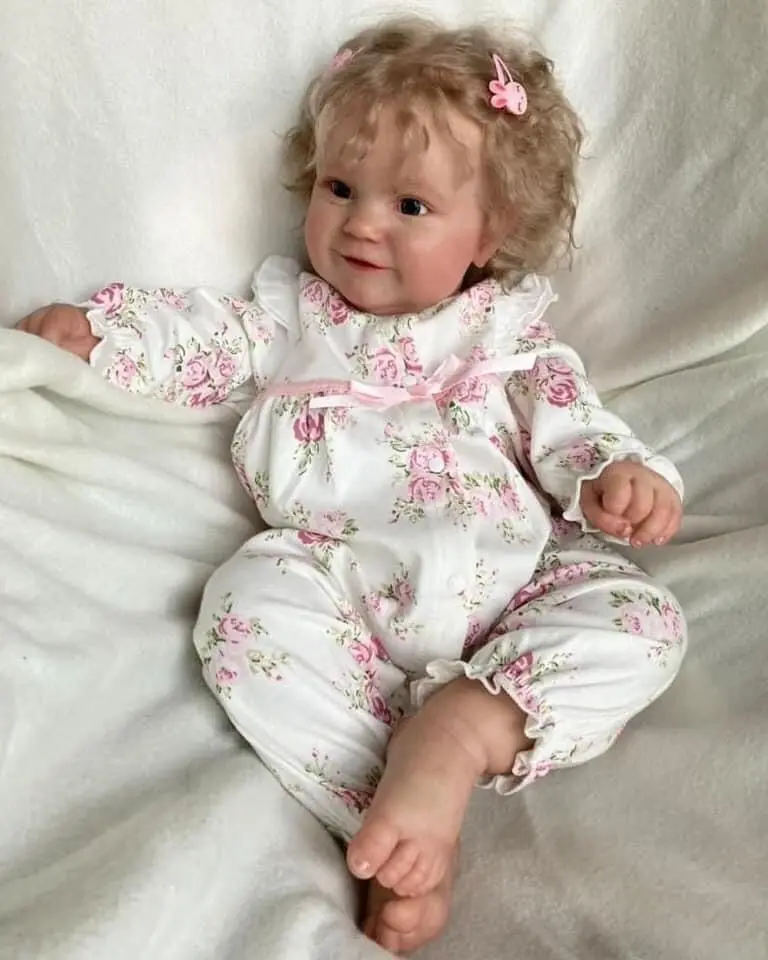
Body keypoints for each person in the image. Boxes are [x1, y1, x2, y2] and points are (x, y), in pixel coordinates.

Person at [17, 17, 687, 955]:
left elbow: (575, 426)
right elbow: (202, 339)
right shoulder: (292, 321)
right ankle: (392, 820)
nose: (363, 222)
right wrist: (106, 335)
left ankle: (466, 728)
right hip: (343, 587)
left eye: (410, 205)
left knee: (644, 620)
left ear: (490, 232)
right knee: (245, 611)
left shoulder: (508, 340)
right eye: (340, 188)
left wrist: (618, 477)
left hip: (516, 583)